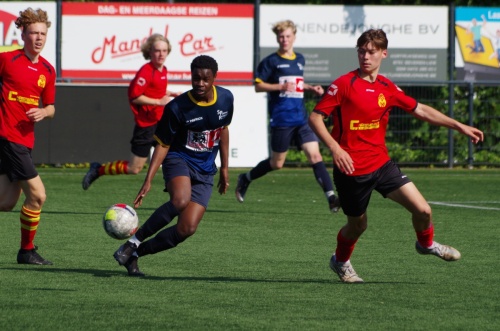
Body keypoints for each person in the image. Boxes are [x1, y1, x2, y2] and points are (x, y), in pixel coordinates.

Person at [309, 29, 484, 283]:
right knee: (358, 225)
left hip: (381, 164)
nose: (365, 56)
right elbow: (315, 117)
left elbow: (420, 109)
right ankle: (340, 261)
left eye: (371, 51)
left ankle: (425, 244)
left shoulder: (387, 87)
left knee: (423, 210)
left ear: (383, 53)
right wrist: (336, 149)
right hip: (351, 169)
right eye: (361, 51)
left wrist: (459, 125)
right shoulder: (344, 84)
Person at [112, 55, 233, 276]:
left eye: (206, 79)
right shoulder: (177, 107)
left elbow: (223, 130)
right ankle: (133, 241)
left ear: (215, 78)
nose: (200, 83)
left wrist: (224, 168)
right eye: (196, 78)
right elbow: (163, 145)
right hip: (178, 159)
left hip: (206, 169)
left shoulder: (226, 99)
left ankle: (135, 254)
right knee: (180, 200)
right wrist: (148, 180)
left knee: (187, 228)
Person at [235, 20, 339, 213]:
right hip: (281, 119)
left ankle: (331, 198)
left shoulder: (300, 59)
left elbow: (296, 84)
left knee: (315, 155)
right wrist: (279, 87)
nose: (285, 40)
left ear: (294, 37)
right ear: (277, 38)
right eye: (281, 37)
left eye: (288, 36)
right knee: (277, 163)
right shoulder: (270, 62)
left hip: (301, 119)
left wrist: (310, 87)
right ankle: (245, 178)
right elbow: (258, 85)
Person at [82, 34, 180, 190]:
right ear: (150, 52)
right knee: (134, 168)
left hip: (159, 121)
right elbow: (135, 96)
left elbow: (155, 90)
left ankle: (173, 185)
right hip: (146, 124)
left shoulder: (163, 70)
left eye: (164, 50)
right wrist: (158, 102)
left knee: (173, 153)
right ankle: (98, 170)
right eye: (157, 50)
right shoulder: (146, 71)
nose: (161, 54)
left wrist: (171, 93)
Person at [0, 8, 56, 265]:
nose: (38, 38)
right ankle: (26, 250)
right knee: (38, 196)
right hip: (7, 137)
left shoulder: (48, 70)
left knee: (6, 202)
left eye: (42, 33)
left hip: (25, 141)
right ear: (23, 34)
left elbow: (52, 107)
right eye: (33, 32)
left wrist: (44, 111)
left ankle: (26, 250)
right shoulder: (7, 60)